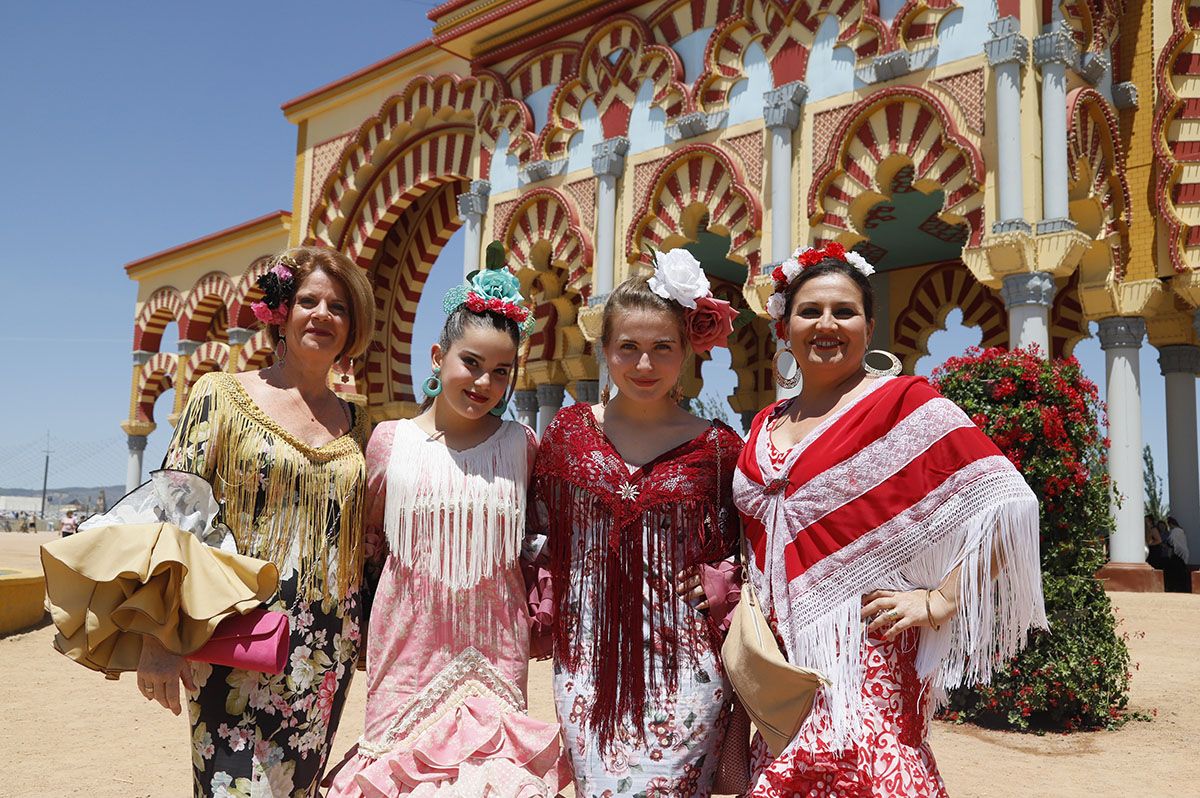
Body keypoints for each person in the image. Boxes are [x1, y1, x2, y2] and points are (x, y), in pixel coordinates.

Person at [734, 243, 1047, 796]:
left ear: (869, 326)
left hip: (869, 656)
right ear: (784, 327)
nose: (826, 324)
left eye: (844, 311)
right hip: (783, 669)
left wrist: (940, 599)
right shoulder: (764, 424)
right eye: (809, 311)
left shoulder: (906, 404)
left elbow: (1007, 500)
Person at [325, 247, 568, 796]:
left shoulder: (522, 447)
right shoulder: (391, 442)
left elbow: (544, 539)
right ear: (438, 356)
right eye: (471, 363)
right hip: (406, 649)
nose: (484, 382)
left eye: (501, 371)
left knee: (490, 778)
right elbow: (365, 544)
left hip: (494, 648)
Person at [136, 246, 375, 796]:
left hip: (324, 647)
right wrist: (156, 635)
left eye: (338, 307)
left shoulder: (360, 423)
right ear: (281, 313)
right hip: (232, 630)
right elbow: (172, 515)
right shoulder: (220, 394)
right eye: (308, 301)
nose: (322, 315)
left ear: (353, 325)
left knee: (298, 788)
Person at [531, 249, 745, 796]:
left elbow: (749, 545)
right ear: (605, 351)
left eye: (661, 348)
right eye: (629, 348)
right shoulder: (568, 433)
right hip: (587, 665)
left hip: (687, 667)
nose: (644, 365)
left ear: (686, 353)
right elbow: (538, 531)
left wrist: (723, 581)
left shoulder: (718, 447)